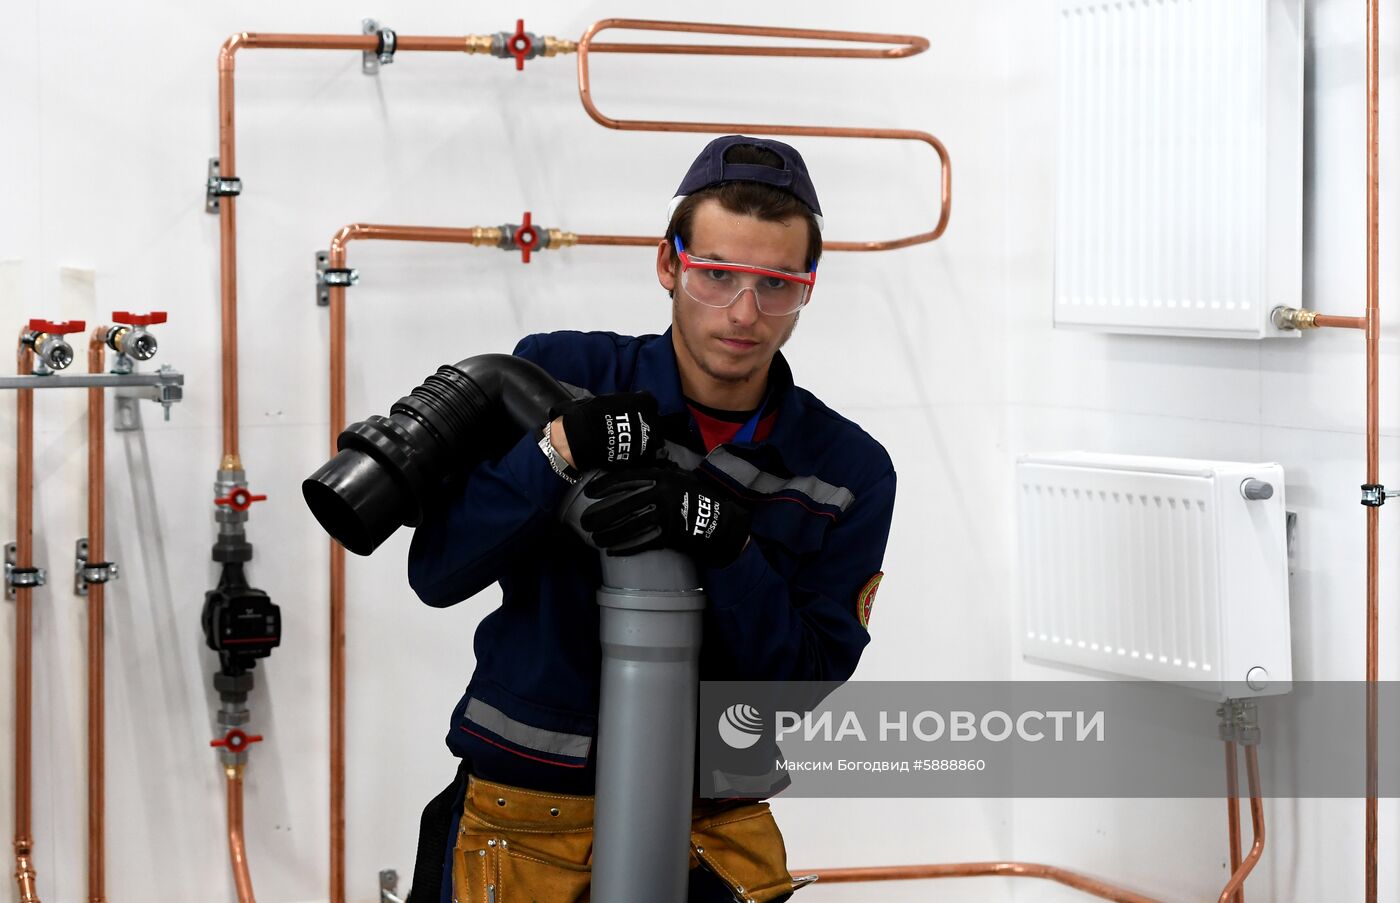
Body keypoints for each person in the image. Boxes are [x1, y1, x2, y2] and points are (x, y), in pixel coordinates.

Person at [405, 135, 897, 903]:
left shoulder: (844, 470)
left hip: (711, 836)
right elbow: (437, 570)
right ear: (668, 265)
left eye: (776, 285)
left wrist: (727, 543)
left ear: (808, 287)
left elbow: (799, 686)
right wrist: (557, 452)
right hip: (522, 826)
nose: (744, 313)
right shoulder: (563, 378)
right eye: (716, 274)